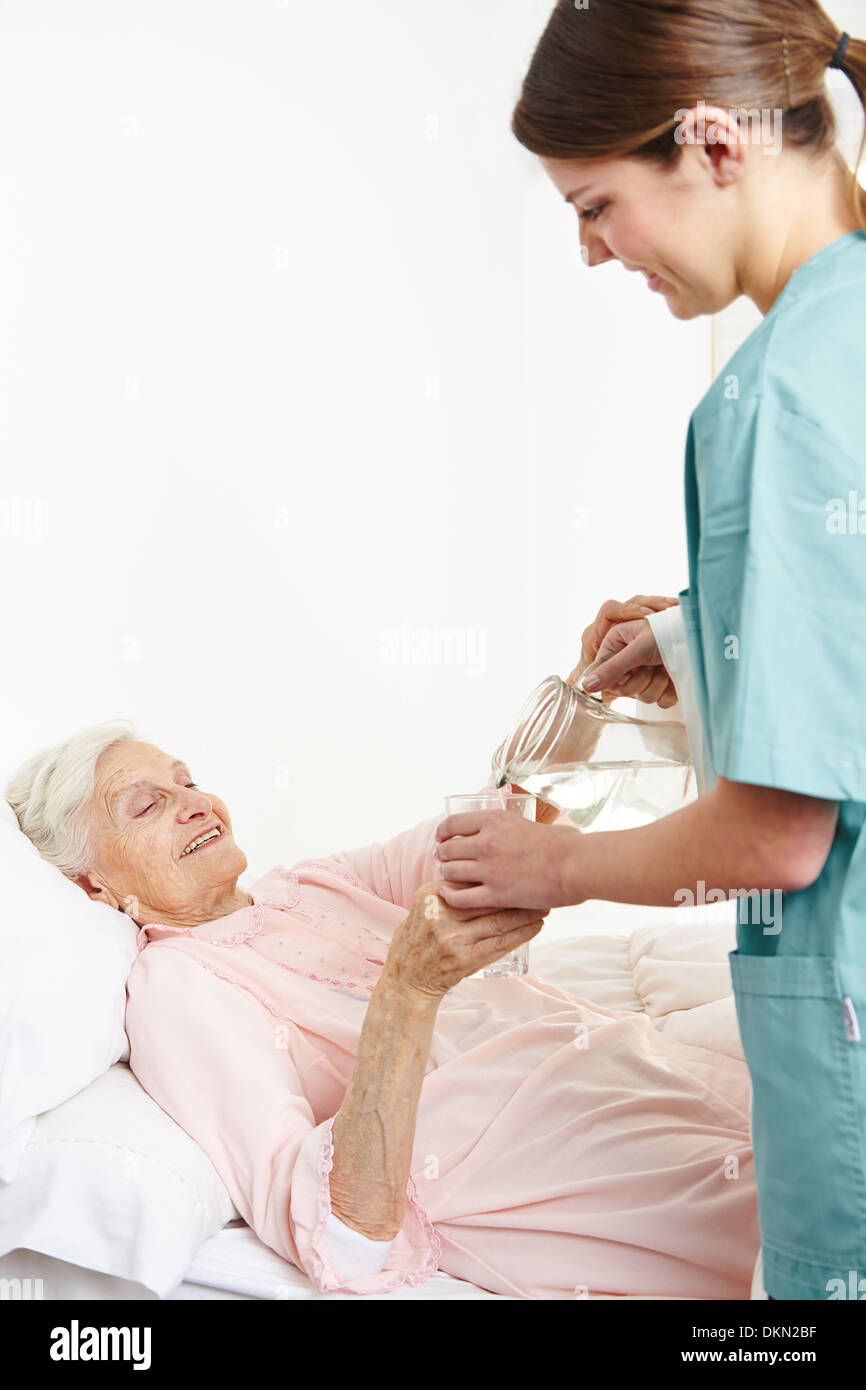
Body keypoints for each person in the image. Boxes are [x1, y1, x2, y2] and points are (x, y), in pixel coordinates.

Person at [435, 1, 866, 1302]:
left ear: (713, 145)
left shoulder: (778, 389)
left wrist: (548, 865)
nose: (586, 250)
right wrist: (696, 632)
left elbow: (777, 833)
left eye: (594, 203)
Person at [5, 719, 759, 1300]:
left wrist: (585, 702)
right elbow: (342, 1237)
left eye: (188, 780)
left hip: (638, 1073)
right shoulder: (178, 987)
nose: (196, 803)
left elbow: (497, 835)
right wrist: (407, 991)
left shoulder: (305, 884)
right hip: (563, 1166)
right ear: (93, 887)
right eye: (149, 805)